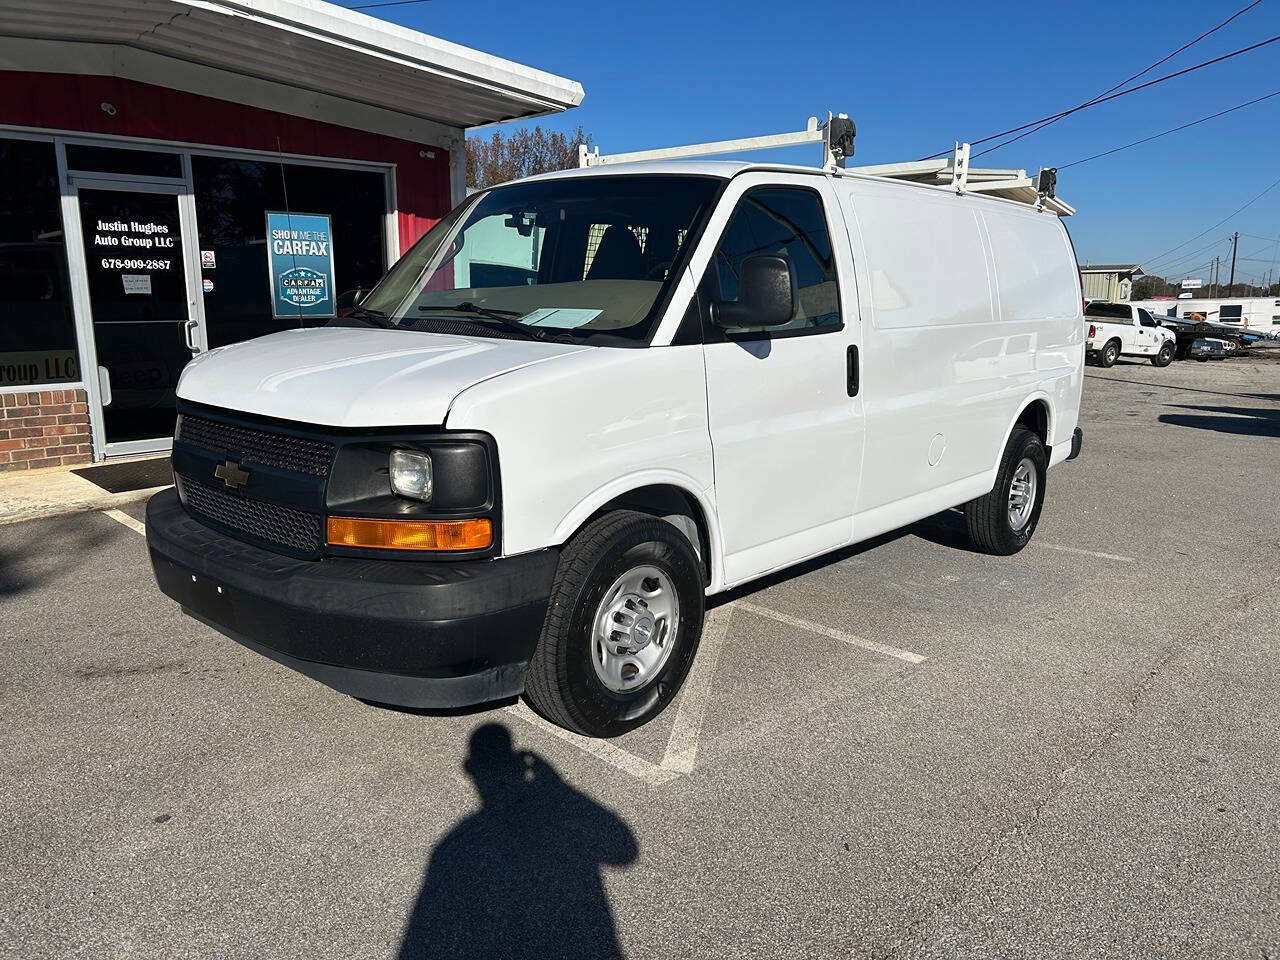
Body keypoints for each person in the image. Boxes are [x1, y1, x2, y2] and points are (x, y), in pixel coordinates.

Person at [398, 723, 638, 960]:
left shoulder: (449, 845)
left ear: (470, 770)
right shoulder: (452, 845)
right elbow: (623, 852)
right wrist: (558, 785)